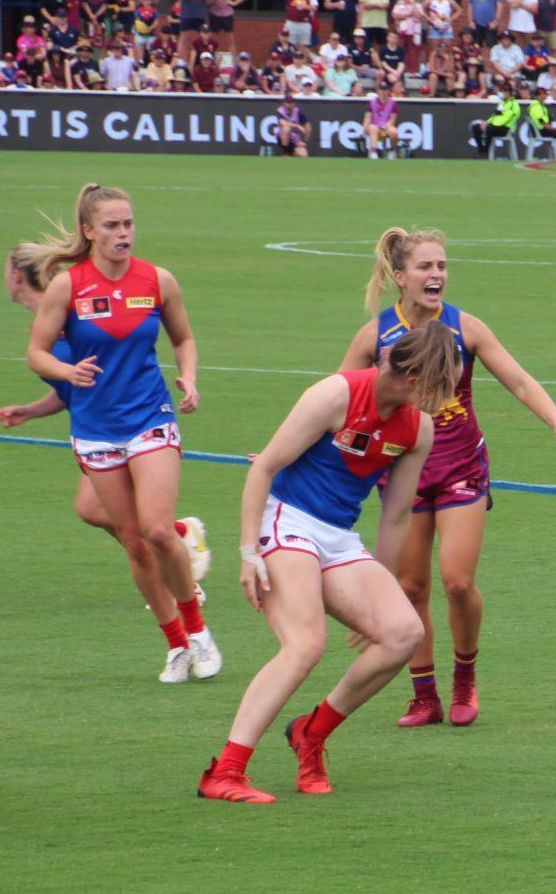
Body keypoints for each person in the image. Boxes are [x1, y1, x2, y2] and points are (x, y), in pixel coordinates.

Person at [337, 228, 556, 728]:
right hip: (402, 472)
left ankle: (465, 680)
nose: (437, 276)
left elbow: (518, 379)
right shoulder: (375, 337)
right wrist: (293, 447)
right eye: (426, 267)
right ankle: (424, 696)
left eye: (442, 266)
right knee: (410, 587)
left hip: (460, 467)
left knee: (457, 582)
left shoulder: (466, 327)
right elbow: (340, 396)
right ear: (400, 276)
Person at [196, 325, 458, 804]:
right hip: (286, 519)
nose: (445, 399)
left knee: (403, 632)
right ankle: (225, 771)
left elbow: (398, 513)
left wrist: (379, 587)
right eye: (441, 386)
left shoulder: (417, 427)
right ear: (414, 376)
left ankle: (310, 733)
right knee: (305, 645)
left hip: (337, 537)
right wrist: (248, 553)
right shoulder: (336, 394)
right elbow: (265, 466)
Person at [23, 184, 220, 679]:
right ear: (89, 232)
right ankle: (175, 645)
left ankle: (198, 630)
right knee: (134, 543)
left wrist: (189, 377)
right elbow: (37, 352)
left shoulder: (158, 280)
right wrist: (66, 373)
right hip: (94, 429)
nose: (123, 233)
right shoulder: (69, 286)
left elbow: (185, 337)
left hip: (150, 416)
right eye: (111, 225)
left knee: (157, 528)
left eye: (128, 223)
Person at [0, 244, 210, 594]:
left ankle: (177, 559)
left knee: (128, 519)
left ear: (16, 277)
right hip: (96, 427)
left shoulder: (68, 321)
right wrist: (32, 410)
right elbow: (79, 387)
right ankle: (176, 544)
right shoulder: (46, 325)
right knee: (92, 509)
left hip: (130, 421)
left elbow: (103, 375)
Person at [469, 82, 523, 153]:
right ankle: (481, 148)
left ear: (510, 93)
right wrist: (486, 123)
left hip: (507, 128)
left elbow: (506, 118)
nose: (505, 93)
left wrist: (491, 125)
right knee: (475, 127)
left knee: (489, 129)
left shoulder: (514, 104)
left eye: (506, 92)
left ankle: (487, 150)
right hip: (497, 126)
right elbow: (495, 116)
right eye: (504, 91)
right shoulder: (502, 103)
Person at [364, 80, 400, 159]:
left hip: (386, 126)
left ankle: (392, 150)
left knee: (393, 131)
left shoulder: (392, 103)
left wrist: (386, 126)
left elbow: (392, 119)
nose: (383, 92)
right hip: (374, 125)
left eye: (385, 89)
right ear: (378, 90)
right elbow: (368, 117)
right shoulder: (372, 102)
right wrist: (364, 128)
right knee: (373, 128)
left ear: (388, 90)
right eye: (381, 89)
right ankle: (374, 151)